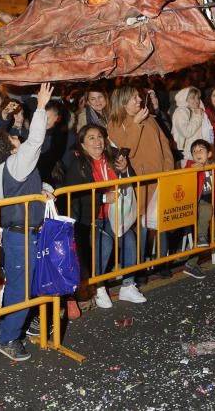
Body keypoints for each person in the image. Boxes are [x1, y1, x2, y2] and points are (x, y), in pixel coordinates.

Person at [0, 83, 54, 362]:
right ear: (8, 151)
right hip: (21, 236)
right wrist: (41, 107)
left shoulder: (6, 172)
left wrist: (44, 190)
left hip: (21, 234)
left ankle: (10, 332)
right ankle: (7, 338)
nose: (18, 141)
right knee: (21, 290)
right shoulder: (13, 167)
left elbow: (31, 182)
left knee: (23, 287)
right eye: (13, 142)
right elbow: (35, 143)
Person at [65, 124, 146, 307]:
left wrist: (125, 170)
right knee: (105, 242)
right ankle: (98, 287)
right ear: (83, 144)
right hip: (89, 218)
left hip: (114, 214)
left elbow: (129, 181)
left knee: (129, 238)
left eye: (100, 136)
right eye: (91, 138)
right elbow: (75, 196)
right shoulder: (79, 165)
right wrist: (102, 197)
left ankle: (128, 285)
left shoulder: (113, 157)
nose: (97, 141)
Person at [106, 85, 175, 269]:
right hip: (140, 182)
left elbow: (165, 145)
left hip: (160, 178)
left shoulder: (150, 119)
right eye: (134, 98)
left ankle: (162, 263)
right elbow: (127, 151)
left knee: (161, 220)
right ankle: (139, 267)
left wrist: (168, 170)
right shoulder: (114, 124)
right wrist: (135, 124)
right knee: (142, 225)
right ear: (122, 102)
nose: (139, 100)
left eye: (139, 97)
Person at [181, 139, 215, 280]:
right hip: (196, 205)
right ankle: (193, 257)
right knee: (203, 234)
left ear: (209, 154)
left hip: (212, 207)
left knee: (207, 235)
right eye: (194, 151)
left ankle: (191, 263)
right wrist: (192, 170)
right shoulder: (191, 165)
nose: (197, 153)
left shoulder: (214, 166)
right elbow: (183, 178)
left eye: (201, 150)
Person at [172, 87, 212, 161]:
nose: (197, 101)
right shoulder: (180, 112)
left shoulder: (199, 110)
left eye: (198, 98)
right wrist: (198, 116)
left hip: (202, 151)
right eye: (193, 98)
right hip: (188, 154)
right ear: (185, 99)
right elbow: (186, 132)